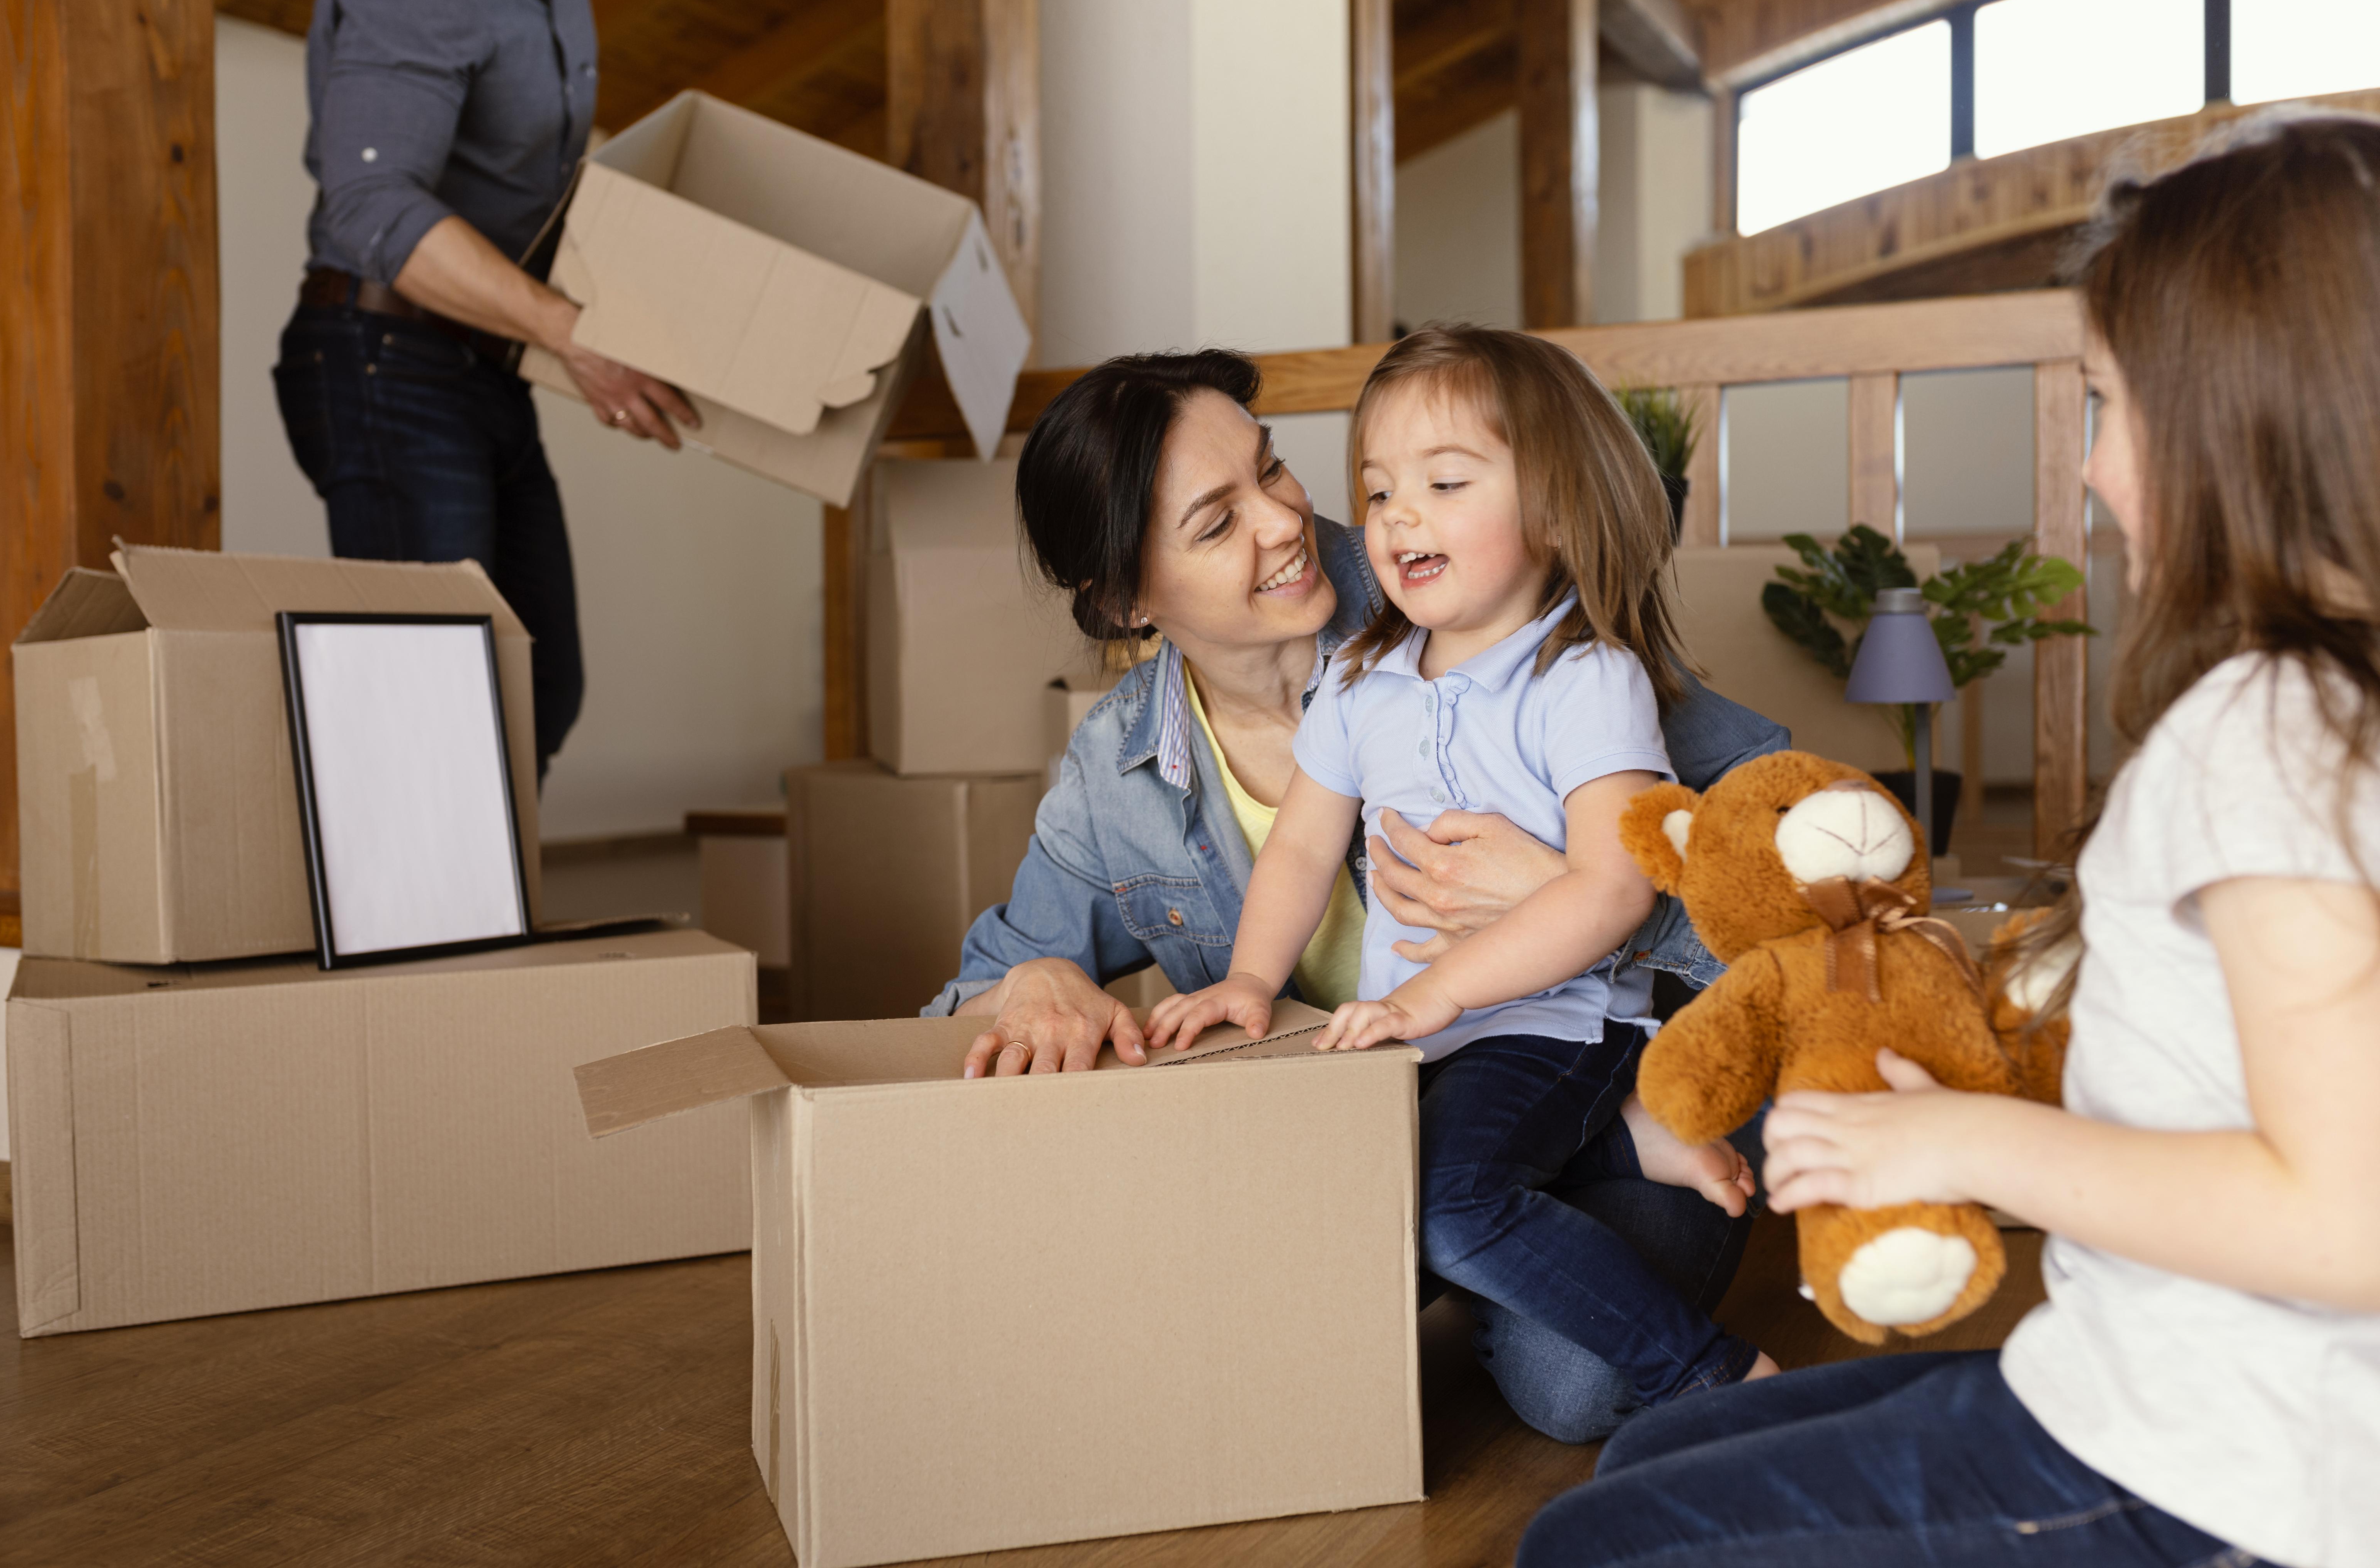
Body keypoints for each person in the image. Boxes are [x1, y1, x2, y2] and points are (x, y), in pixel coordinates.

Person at [1518, 111, 2380, 1568]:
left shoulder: (2275, 734)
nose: (2096, 476)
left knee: (1588, 1551)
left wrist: (1960, 1136)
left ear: (2239, 410)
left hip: (2229, 1472)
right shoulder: (2322, 708)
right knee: (1657, 1445)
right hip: (2160, 1384)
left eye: (2110, 405)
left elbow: (2347, 1220)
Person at [923, 345, 1791, 1444]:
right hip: (1402, 1089)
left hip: (1587, 1045)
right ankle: (1565, 1171)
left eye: (1272, 472)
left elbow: (1802, 876)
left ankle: (1632, 1193)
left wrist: (1584, 895)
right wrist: (1042, 978)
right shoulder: (1135, 772)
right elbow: (976, 990)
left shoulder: (1486, 598)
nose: (1287, 522)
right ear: (1126, 603)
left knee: (1579, 1387)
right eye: (1215, 523)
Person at [1149, 327, 1777, 1413]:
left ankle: (1714, 1374)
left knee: (1445, 1207)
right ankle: (1622, 1151)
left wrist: (1430, 994)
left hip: (1556, 1025)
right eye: (1380, 489)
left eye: (1444, 483)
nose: (1397, 517)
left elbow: (1616, 884)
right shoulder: (1360, 678)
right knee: (1320, 1219)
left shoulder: (1585, 676)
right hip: (1421, 1037)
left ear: (1551, 512)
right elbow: (1301, 843)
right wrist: (1252, 982)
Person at [273, 0, 699, 775]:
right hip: (384, 361)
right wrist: (576, 336)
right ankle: (417, 905)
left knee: (539, 688)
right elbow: (372, 204)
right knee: (434, 699)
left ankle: (492, 904)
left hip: (484, 366)